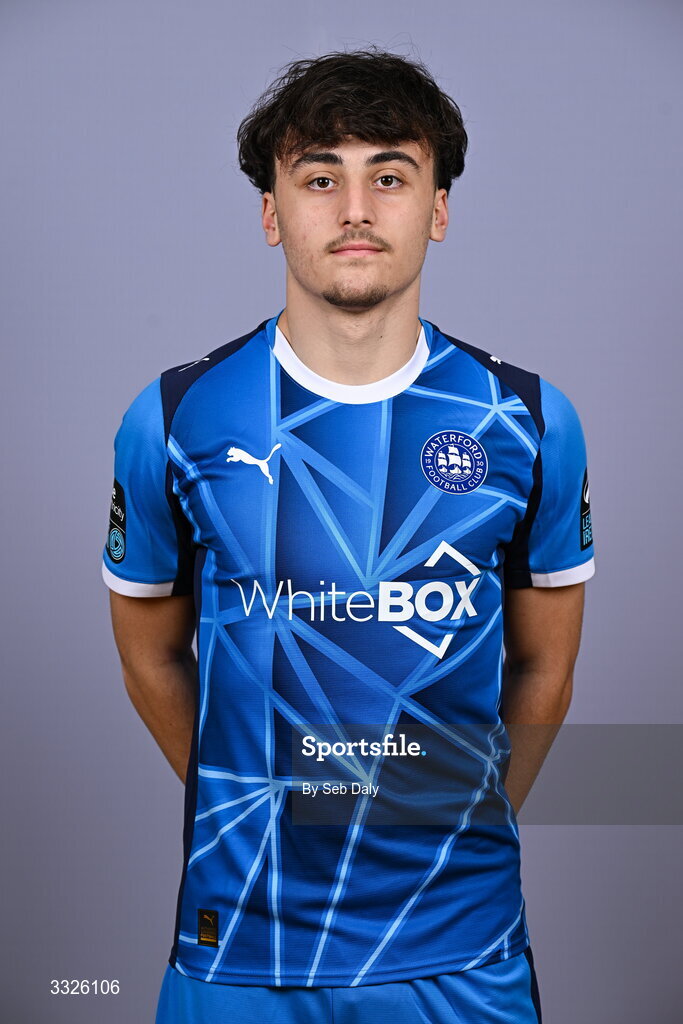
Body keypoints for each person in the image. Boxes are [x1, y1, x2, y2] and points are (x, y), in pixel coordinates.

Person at [102, 46, 594, 1024]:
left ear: (438, 210)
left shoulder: (527, 420)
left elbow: (541, 669)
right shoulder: (174, 416)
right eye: (319, 177)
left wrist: (452, 810)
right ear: (270, 211)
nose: (354, 209)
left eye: (389, 176)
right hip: (242, 945)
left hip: (458, 951)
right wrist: (256, 803)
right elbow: (150, 651)